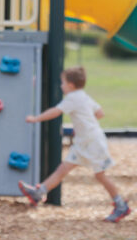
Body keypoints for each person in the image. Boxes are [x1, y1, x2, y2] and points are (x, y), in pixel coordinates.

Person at [19, 66, 130, 222]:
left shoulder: (72, 98)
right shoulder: (83, 96)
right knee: (63, 168)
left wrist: (35, 119)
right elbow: (100, 113)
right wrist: (85, 122)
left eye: (63, 83)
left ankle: (121, 205)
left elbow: (56, 112)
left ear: (70, 85)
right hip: (84, 141)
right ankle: (39, 192)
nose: (61, 86)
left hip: (92, 143)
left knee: (100, 175)